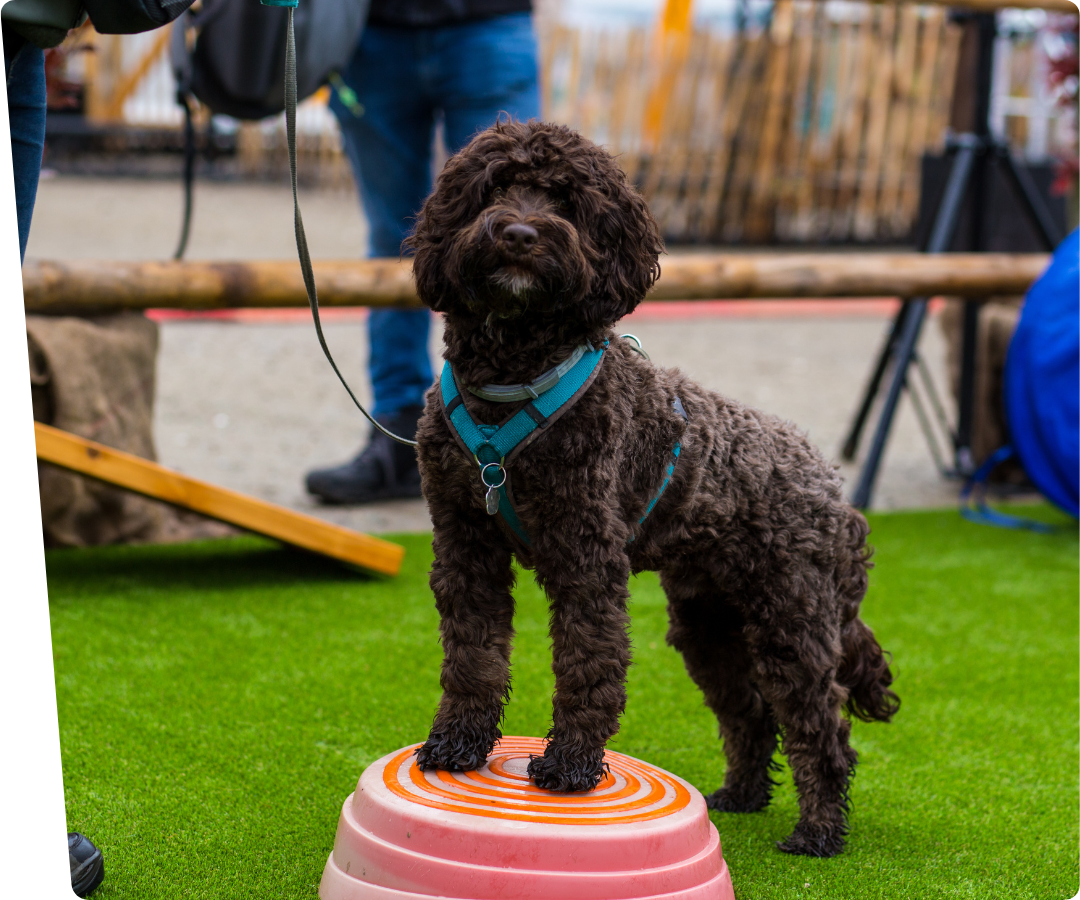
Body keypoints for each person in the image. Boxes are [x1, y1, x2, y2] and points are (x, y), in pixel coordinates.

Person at [304, 0, 540, 504]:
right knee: (396, 244)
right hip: (371, 32)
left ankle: (522, 441)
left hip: (490, 23)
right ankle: (398, 440)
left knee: (519, 231)